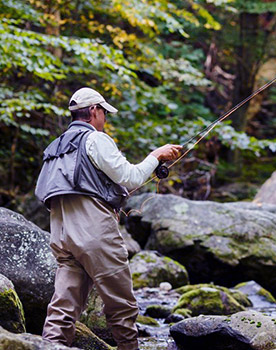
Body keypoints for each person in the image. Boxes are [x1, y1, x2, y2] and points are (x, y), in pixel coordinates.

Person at [35, 87, 182, 350]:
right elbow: (131, 177)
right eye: (104, 112)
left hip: (60, 233)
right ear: (93, 111)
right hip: (94, 233)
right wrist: (156, 155)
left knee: (62, 308)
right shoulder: (96, 140)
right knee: (121, 304)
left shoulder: (55, 146)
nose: (105, 118)